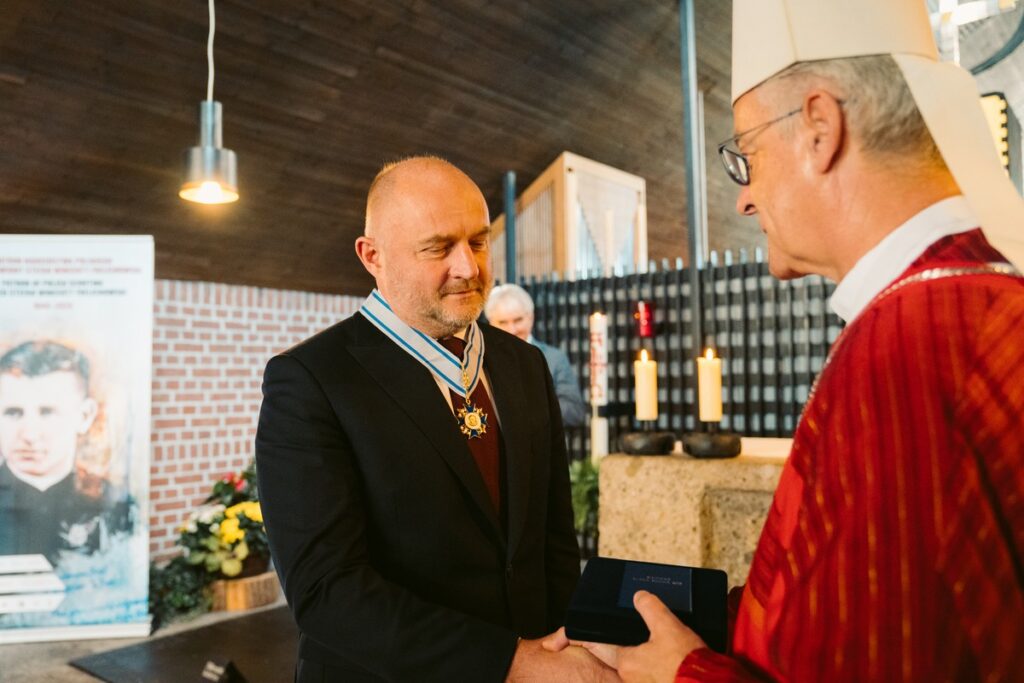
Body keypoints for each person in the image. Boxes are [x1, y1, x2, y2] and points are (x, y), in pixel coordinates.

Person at [545, 0, 1024, 680]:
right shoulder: (970, 299)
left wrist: (681, 672)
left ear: (819, 128)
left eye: (747, 154)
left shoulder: (907, 346)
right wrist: (707, 625)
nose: (742, 198)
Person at [255, 156, 615, 682]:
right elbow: (327, 591)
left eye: (478, 240)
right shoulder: (312, 381)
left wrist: (564, 645)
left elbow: (552, 539)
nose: (468, 267)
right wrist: (509, 663)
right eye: (438, 247)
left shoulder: (523, 363)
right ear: (372, 256)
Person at [0, 340, 133, 563]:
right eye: (13, 413)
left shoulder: (113, 503)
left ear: (84, 416)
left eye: (48, 412)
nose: (30, 435)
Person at [485, 284, 587, 429]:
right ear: (491, 324)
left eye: (518, 320)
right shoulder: (482, 361)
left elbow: (574, 412)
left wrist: (526, 408)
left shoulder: (554, 359)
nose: (512, 330)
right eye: (503, 322)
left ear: (530, 318)